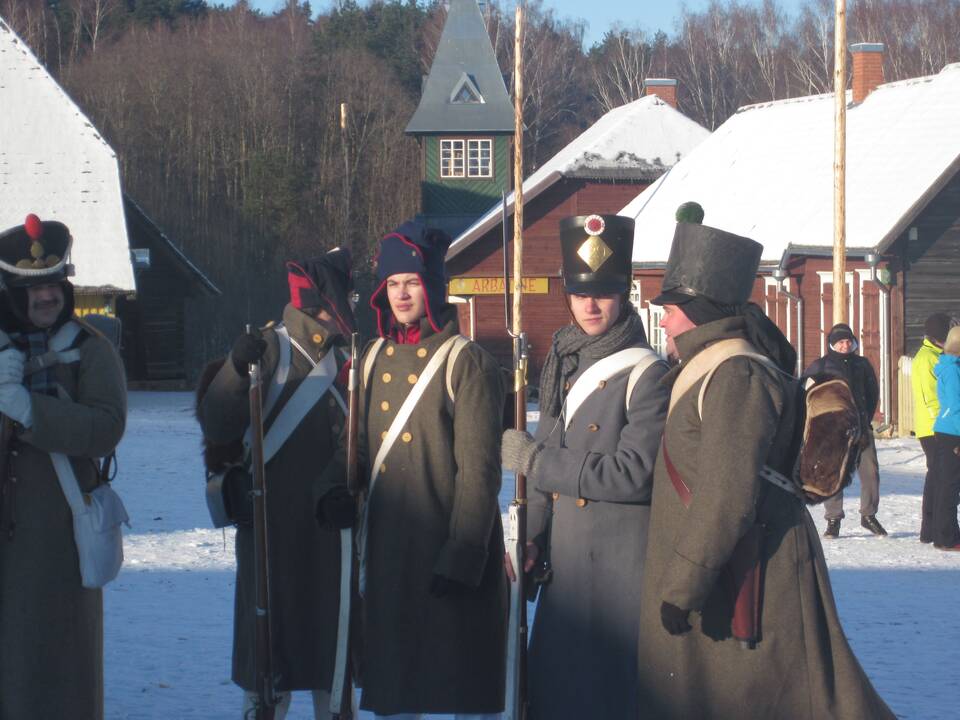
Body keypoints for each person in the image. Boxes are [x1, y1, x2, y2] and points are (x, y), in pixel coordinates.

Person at [636, 212, 895, 719]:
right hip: (726, 568)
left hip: (749, 572)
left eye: (669, 308)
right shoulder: (710, 365)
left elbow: (726, 495)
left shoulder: (735, 374)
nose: (662, 319)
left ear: (697, 309)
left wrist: (684, 583)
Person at [314, 222, 506, 720]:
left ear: (433, 286)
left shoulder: (467, 362)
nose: (401, 294)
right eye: (393, 284)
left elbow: (479, 472)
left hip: (445, 551)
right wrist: (331, 488)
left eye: (413, 282)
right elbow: (351, 446)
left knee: (454, 686)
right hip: (387, 555)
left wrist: (463, 555)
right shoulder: (372, 356)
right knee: (397, 692)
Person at [500, 214, 669, 720]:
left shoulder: (648, 373)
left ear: (625, 296)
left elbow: (633, 472)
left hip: (618, 579)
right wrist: (527, 537)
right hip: (569, 575)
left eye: (603, 292)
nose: (590, 305)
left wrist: (537, 460)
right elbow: (546, 484)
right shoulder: (564, 363)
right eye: (579, 293)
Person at [197, 248, 356, 719]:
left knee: (335, 656)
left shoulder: (349, 355)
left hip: (335, 532)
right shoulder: (270, 349)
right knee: (270, 662)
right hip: (273, 529)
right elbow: (218, 424)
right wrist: (233, 370)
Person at [0, 214, 127, 719]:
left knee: (57, 676)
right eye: (33, 289)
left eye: (54, 285)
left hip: (57, 539)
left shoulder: (91, 349)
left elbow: (105, 427)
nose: (47, 297)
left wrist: (27, 409)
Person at [801, 323, 886, 538]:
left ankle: (869, 515)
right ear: (832, 344)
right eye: (840, 342)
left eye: (848, 341)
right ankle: (833, 519)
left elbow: (872, 391)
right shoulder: (821, 366)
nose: (845, 345)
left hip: (861, 426)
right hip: (834, 431)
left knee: (870, 471)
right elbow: (805, 390)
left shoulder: (862, 364)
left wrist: (865, 416)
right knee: (834, 472)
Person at [914, 312, 951, 543]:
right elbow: (931, 397)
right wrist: (944, 425)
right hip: (934, 428)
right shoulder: (927, 358)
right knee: (941, 478)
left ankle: (929, 530)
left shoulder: (937, 354)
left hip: (936, 425)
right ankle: (935, 529)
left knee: (935, 477)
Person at [931, 326, 960, 551]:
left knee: (948, 484)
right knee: (949, 485)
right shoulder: (952, 370)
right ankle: (946, 538)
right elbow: (954, 404)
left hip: (949, 430)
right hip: (953, 432)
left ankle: (946, 535)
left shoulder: (951, 366)